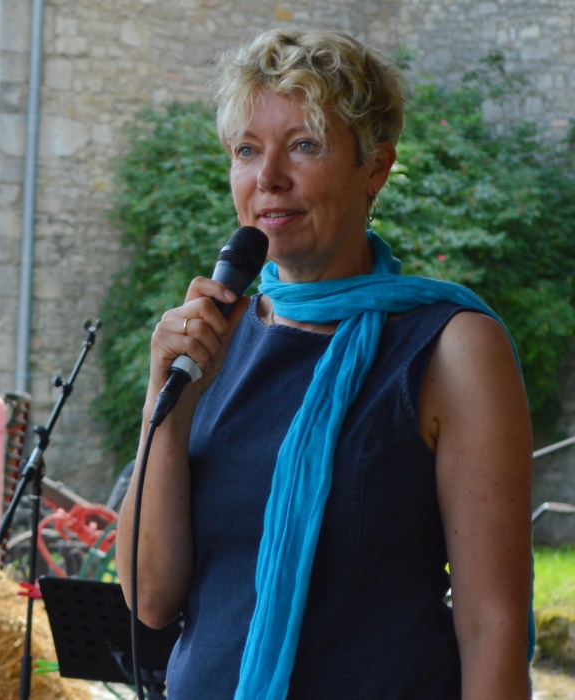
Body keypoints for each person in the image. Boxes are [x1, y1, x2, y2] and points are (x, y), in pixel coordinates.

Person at [116, 29, 532, 698]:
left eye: (304, 145)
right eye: (247, 151)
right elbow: (151, 599)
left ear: (376, 168)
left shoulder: (450, 347)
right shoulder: (213, 341)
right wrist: (164, 408)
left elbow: (492, 627)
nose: (268, 178)